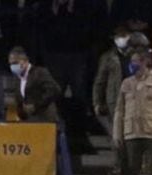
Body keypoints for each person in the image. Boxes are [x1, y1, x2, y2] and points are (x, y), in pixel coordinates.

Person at [39, 0, 107, 132]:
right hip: (55, 57)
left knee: (79, 92)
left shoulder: (82, 8)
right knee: (55, 92)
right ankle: (54, 127)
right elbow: (42, 31)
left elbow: (86, 30)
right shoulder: (45, 8)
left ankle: (80, 128)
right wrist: (54, 12)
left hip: (78, 56)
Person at [8, 47, 61, 123]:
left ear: (25, 61)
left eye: (15, 63)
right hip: (28, 122)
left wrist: (36, 105)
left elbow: (54, 90)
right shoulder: (17, 79)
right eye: (10, 64)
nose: (13, 67)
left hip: (45, 121)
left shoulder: (40, 72)